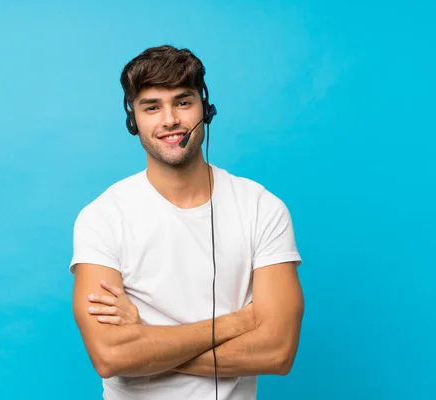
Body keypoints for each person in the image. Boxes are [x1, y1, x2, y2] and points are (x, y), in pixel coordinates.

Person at [70, 45, 304, 400]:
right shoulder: (102, 218)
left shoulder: (261, 207)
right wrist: (238, 322)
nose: (169, 120)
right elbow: (111, 355)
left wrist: (145, 343)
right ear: (133, 119)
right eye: (152, 107)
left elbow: (278, 352)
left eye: (182, 102)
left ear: (205, 108)